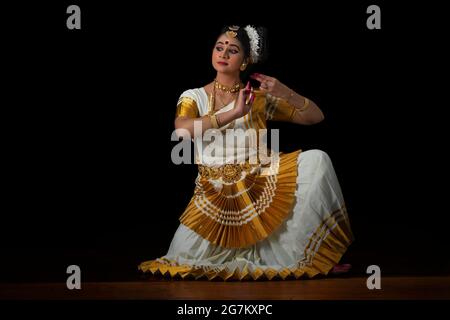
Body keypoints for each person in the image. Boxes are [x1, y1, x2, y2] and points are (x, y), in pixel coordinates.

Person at [139, 25, 354, 280]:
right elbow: (183, 131)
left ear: (245, 62)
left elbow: (315, 117)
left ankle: (313, 258)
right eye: (219, 48)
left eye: (233, 50)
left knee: (317, 160)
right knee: (182, 260)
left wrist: (285, 93)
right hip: (214, 191)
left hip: (259, 181)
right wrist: (233, 113)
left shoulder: (256, 98)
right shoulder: (193, 96)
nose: (224, 54)